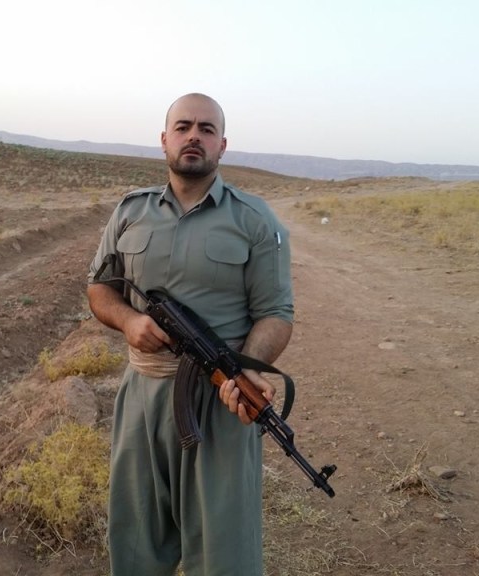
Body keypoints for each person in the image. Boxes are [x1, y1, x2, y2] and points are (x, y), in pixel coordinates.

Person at [87, 93, 294, 576]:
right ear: (164, 140)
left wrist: (245, 368)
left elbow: (276, 312)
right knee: (136, 538)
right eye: (183, 127)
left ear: (222, 144)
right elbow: (99, 288)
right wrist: (129, 321)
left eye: (205, 129)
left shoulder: (255, 219)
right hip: (142, 397)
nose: (193, 136)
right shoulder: (129, 212)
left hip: (220, 402)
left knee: (224, 549)